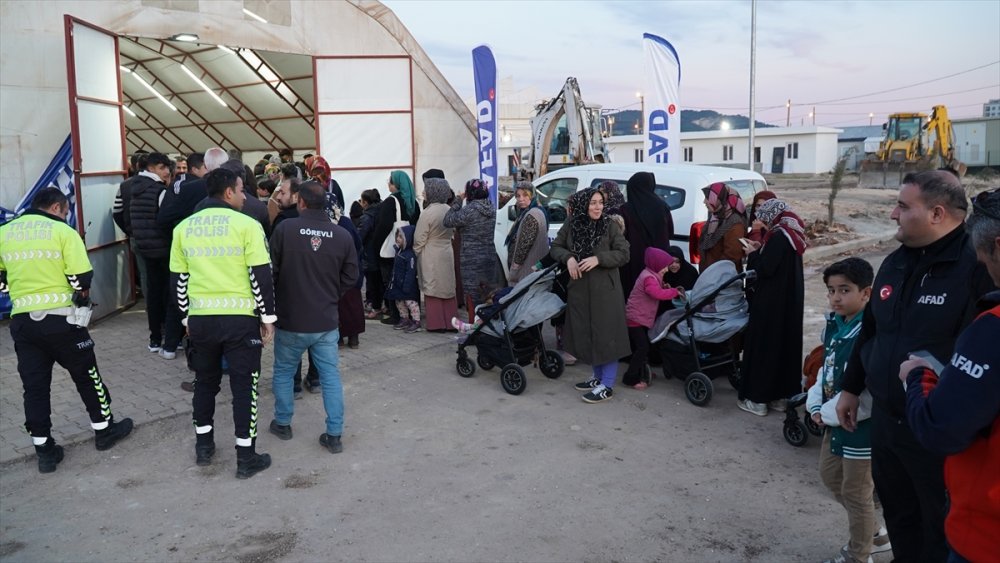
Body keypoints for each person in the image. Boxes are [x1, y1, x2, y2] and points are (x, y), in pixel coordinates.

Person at [835, 171, 995, 562]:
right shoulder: (893, 264)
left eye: (903, 206)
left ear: (937, 213)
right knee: (900, 515)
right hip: (888, 424)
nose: (892, 214)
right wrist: (851, 387)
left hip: (936, 432)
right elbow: (871, 332)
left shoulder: (975, 267)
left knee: (940, 529)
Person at [897, 188, 1000, 563]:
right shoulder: (898, 262)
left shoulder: (991, 331)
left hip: (985, 536)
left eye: (984, 256)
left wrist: (919, 376)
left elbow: (940, 428)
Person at [0, 188, 134, 473]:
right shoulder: (62, 231)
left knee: (34, 388)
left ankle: (44, 451)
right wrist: (79, 295)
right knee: (88, 377)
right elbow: (80, 278)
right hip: (62, 321)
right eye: (65, 210)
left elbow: (1, 282)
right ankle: (104, 430)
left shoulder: (5, 232)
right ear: (58, 207)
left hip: (23, 322)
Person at [169, 168, 277, 479]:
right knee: (245, 389)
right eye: (242, 190)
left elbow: (179, 280)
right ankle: (246, 457)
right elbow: (261, 276)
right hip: (239, 321)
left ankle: (204, 447)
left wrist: (187, 317)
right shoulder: (247, 225)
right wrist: (267, 318)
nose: (245, 196)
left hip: (201, 321)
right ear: (228, 192)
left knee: (205, 384)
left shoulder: (183, 228)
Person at [805, 257, 891, 563]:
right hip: (834, 421)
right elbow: (826, 369)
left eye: (845, 290)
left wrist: (826, 412)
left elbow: (867, 391)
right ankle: (876, 535)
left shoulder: (870, 333)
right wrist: (815, 404)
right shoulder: (834, 325)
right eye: (831, 290)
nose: (836, 297)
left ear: (866, 293)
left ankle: (858, 555)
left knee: (856, 492)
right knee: (831, 478)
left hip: (859, 428)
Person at [268, 181, 359, 455]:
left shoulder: (285, 230)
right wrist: (331, 294)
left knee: (284, 371)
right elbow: (351, 277)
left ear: (301, 202)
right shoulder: (342, 235)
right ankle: (334, 434)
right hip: (325, 321)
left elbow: (270, 271)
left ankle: (283, 423)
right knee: (330, 377)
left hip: (291, 319)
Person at [550, 186, 630, 403]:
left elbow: (624, 253)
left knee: (607, 337)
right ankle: (597, 377)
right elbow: (555, 247)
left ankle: (607, 385)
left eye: (600, 202)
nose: (597, 207)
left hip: (606, 292)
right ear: (584, 204)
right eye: (593, 202)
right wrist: (568, 257)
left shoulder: (609, 225)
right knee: (589, 334)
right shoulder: (571, 224)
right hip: (580, 290)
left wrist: (599, 259)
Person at [738, 198, 806, 416]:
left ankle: (757, 399)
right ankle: (780, 397)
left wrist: (753, 254)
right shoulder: (791, 235)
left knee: (765, 347)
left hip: (770, 305)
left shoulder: (778, 236)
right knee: (783, 347)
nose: (761, 220)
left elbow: (766, 269)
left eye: (762, 216)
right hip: (788, 305)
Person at [128, 152, 185, 359]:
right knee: (170, 294)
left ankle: (154, 338)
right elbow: (165, 219)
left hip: (145, 247)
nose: (167, 172)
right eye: (164, 168)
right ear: (153, 168)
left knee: (153, 294)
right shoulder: (159, 191)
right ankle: (172, 338)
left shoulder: (133, 188)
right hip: (162, 248)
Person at [622, 247, 683, 389]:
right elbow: (655, 293)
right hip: (635, 318)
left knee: (644, 346)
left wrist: (665, 287)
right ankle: (630, 377)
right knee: (642, 348)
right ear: (656, 265)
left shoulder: (650, 274)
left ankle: (642, 371)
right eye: (664, 267)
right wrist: (673, 292)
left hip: (639, 317)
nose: (666, 270)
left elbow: (657, 288)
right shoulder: (649, 277)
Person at [373, 170, 420, 326]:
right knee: (409, 280)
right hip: (409, 249)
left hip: (391, 251)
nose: (388, 183)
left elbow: (383, 226)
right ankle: (415, 314)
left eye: (390, 181)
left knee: (391, 282)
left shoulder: (391, 201)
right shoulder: (414, 202)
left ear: (396, 184)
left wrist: (376, 244)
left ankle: (397, 315)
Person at [443, 178, 498, 306]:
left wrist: (458, 200)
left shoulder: (470, 210)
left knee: (473, 297)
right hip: (489, 257)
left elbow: (447, 220)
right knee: (489, 295)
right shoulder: (491, 207)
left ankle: (475, 324)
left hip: (471, 260)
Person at [413, 178, 458, 332]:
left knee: (432, 287)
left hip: (430, 252)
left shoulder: (428, 212)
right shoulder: (449, 209)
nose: (423, 192)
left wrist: (416, 252)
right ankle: (452, 323)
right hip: (446, 250)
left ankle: (437, 323)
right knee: (448, 286)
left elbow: (419, 238)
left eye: (426, 189)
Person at [620, 172, 674, 294]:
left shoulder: (625, 210)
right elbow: (670, 233)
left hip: (633, 261)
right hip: (657, 261)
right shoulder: (662, 207)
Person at [504, 181, 549, 286]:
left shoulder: (532, 215)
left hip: (527, 270)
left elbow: (523, 246)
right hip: (532, 269)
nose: (521, 199)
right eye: (518, 196)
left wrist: (514, 271)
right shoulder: (535, 210)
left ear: (532, 195)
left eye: (525, 195)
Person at [698, 182, 747, 273]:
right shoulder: (715, 217)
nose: (704, 202)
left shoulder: (734, 223)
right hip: (708, 276)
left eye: (708, 197)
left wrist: (714, 273)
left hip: (722, 278)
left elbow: (732, 256)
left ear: (719, 198)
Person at [386, 225, 421, 332]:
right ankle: (404, 318)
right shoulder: (400, 252)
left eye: (401, 237)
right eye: (397, 236)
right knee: (399, 303)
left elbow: (410, 272)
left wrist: (406, 285)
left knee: (411, 303)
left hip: (407, 286)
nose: (397, 239)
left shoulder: (410, 255)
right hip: (398, 284)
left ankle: (416, 321)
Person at [357, 189, 384, 318]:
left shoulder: (367, 216)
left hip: (369, 252)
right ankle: (380, 305)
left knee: (372, 282)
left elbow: (360, 235)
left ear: (366, 202)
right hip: (380, 250)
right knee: (379, 280)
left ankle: (375, 307)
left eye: (361, 201)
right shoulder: (381, 210)